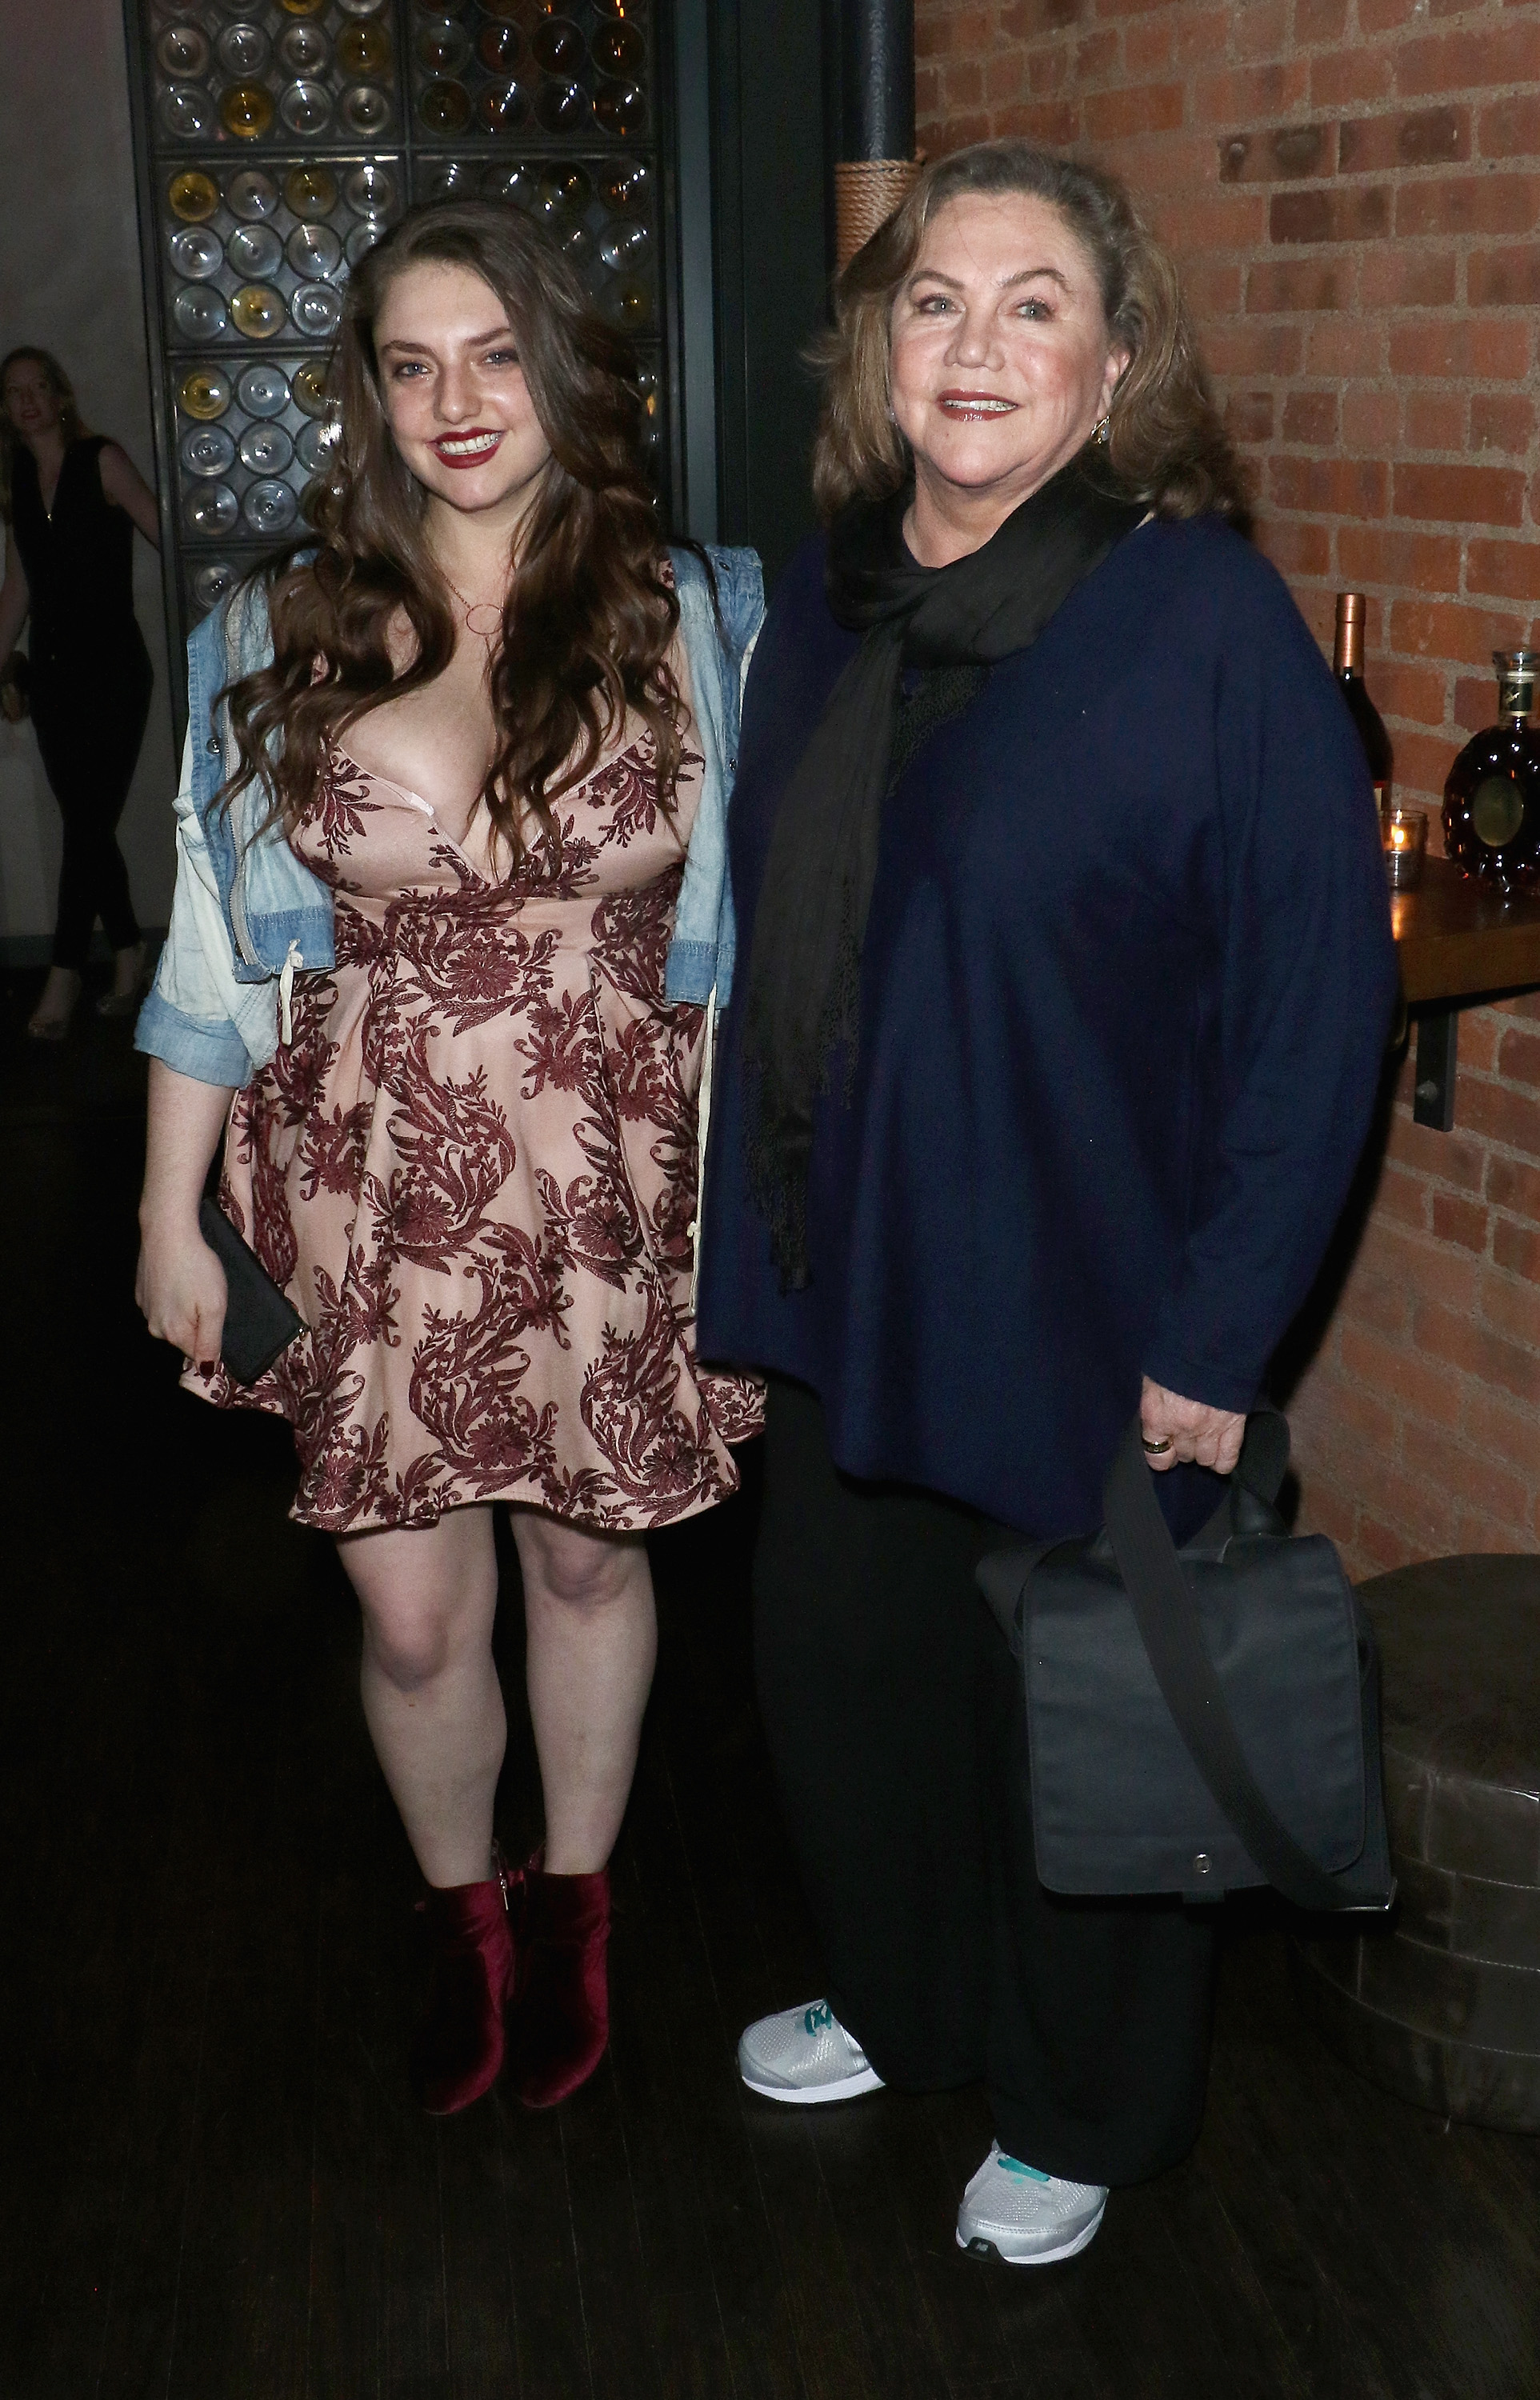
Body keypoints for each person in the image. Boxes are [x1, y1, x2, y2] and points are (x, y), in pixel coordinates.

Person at [695, 139, 1398, 2263]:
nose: (972, 344)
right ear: (878, 349)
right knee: (846, 1687)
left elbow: (1313, 995)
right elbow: (782, 944)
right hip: (848, 1270)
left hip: (1086, 1297)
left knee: (1069, 1711)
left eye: (1030, 308)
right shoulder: (824, 598)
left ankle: (1082, 2108)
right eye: (932, 301)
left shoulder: (1189, 615)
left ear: (1114, 370)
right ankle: (907, 2004)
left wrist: (1215, 1334)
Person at [134, 201, 763, 2116]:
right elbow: (216, 947)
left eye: (493, 354)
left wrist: (742, 1203)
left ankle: (573, 1905)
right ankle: (458, 1921)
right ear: (369, 395)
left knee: (586, 1563)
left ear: (566, 368)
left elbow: (738, 951)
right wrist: (168, 1206)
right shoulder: (274, 622)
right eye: (411, 364)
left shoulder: (700, 611)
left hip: (614, 1184)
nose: (454, 402)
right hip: (367, 1183)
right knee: (411, 1611)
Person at [0, 346, 161, 1038]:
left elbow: (169, 535)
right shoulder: (15, 477)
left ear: (61, 396)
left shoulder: (103, 460)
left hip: (115, 672)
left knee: (86, 826)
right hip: (55, 674)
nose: (30, 400)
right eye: (15, 392)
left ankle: (63, 975)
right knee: (87, 828)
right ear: (6, 410)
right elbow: (20, 584)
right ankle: (128, 956)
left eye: (40, 387)